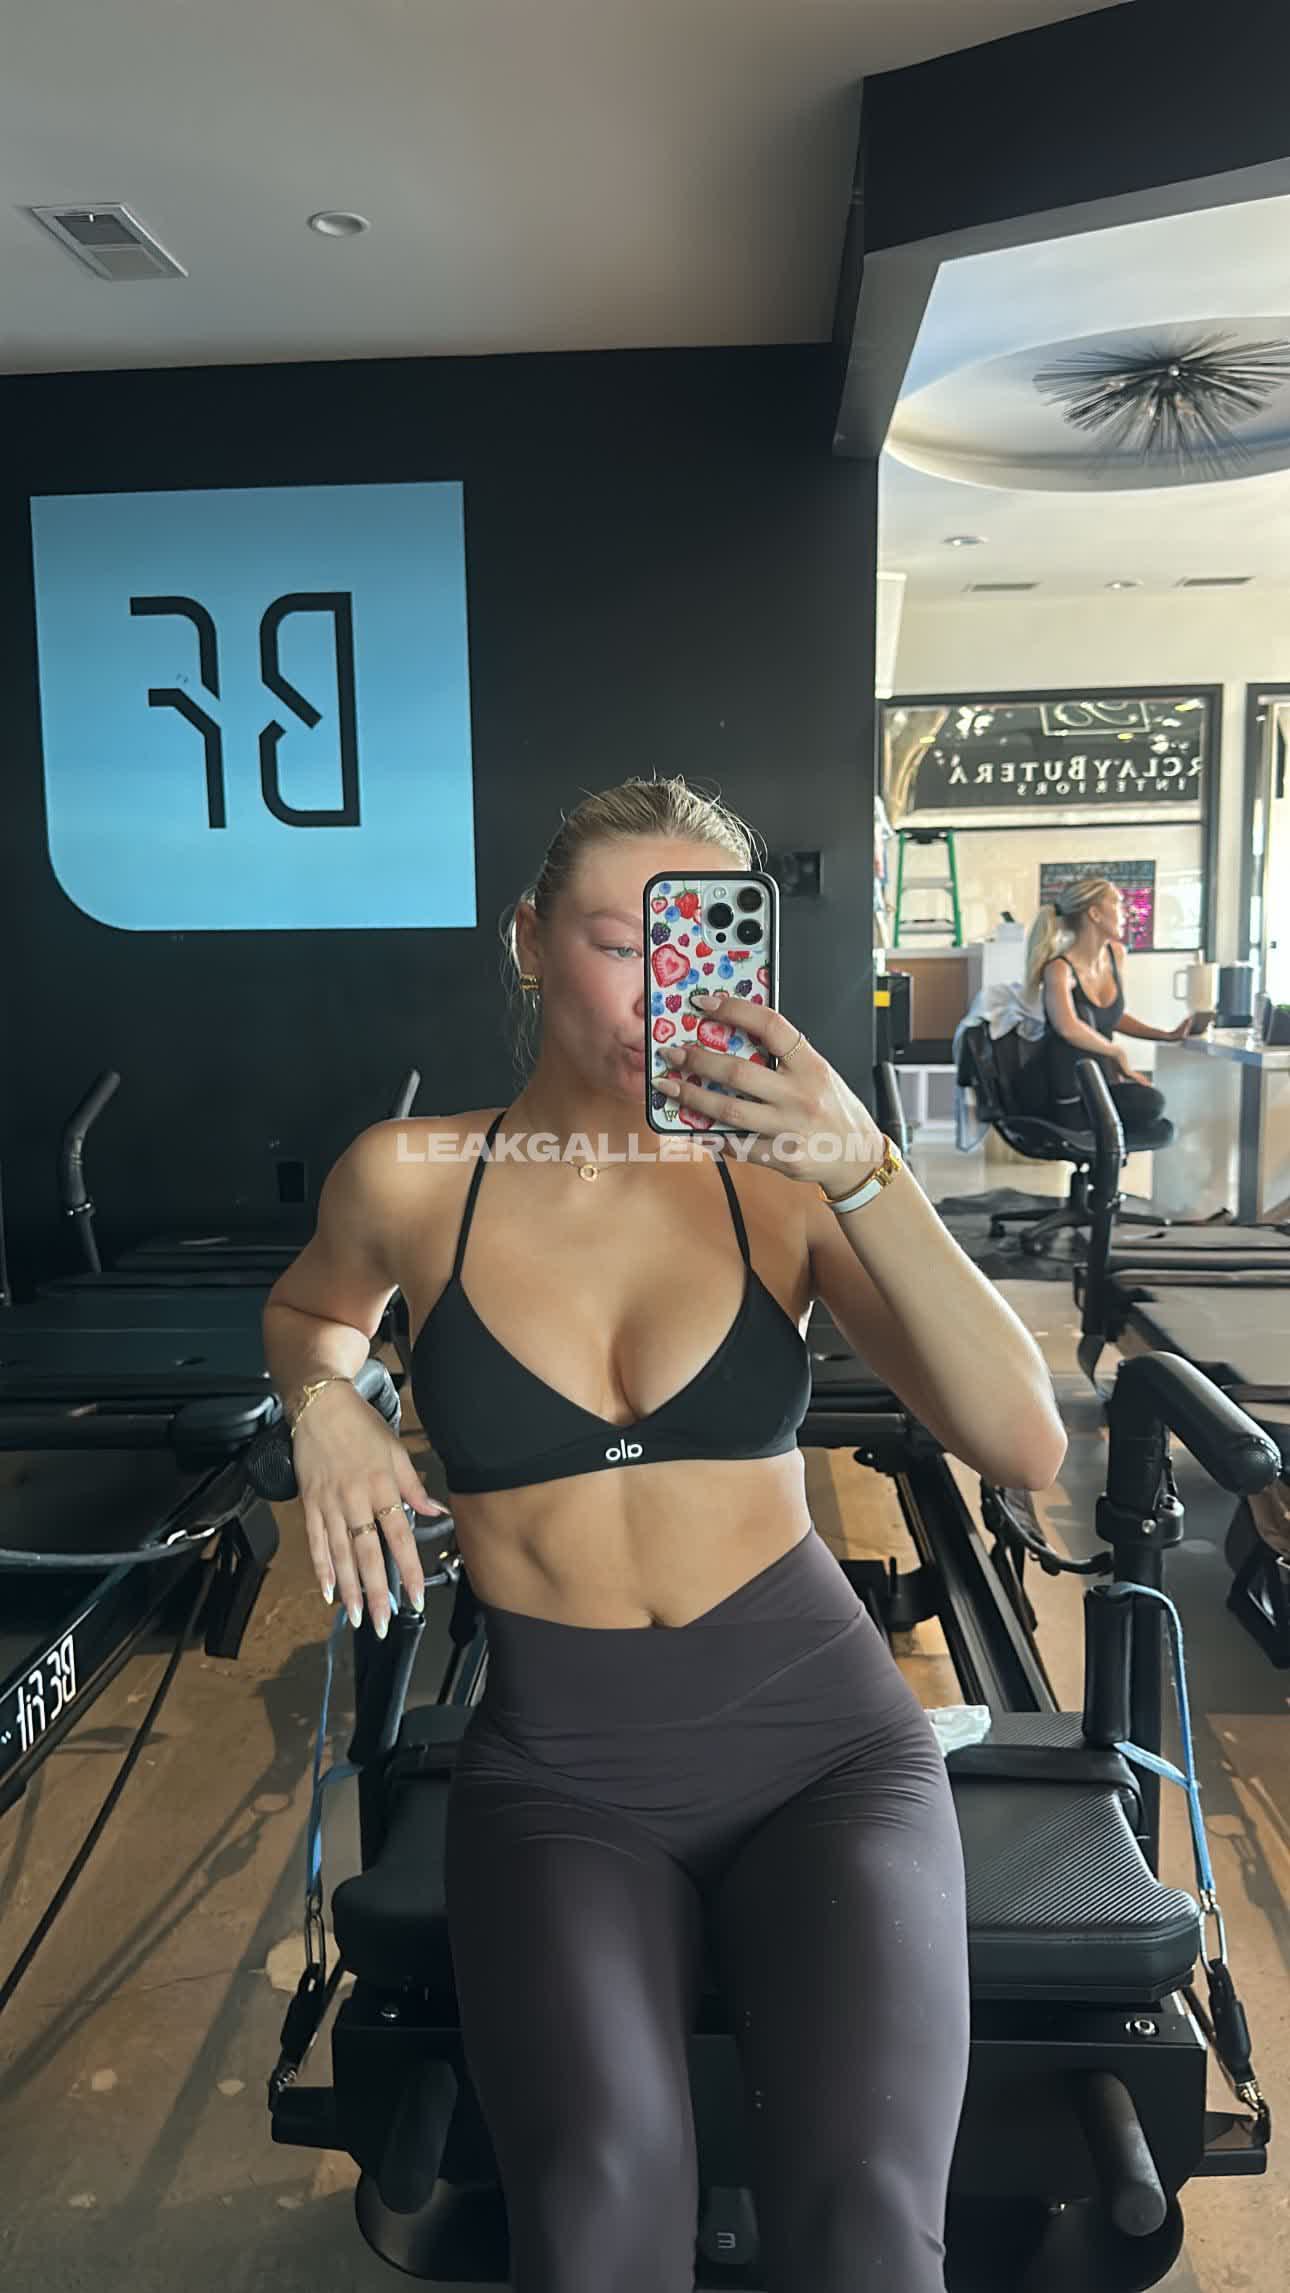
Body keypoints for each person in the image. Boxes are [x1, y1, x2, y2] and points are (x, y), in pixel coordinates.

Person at [264, 775, 1067, 2293]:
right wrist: (327, 1401)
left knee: (870, 2215)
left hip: (825, 1748)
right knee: (596, 2214)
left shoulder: (783, 1181)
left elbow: (1025, 1440)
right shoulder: (412, 1177)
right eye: (618, 940)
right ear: (526, 941)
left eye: (699, 937)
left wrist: (864, 1164)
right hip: (563, 1771)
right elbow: (310, 1314)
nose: (662, 982)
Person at [1024, 875, 1188, 1143]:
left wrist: (1165, 1035)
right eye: (1118, 903)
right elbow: (1068, 1026)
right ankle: (1084, 1132)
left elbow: (1111, 1017)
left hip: (1100, 1081)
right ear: (1095, 914)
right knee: (1152, 1105)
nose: (1126, 911)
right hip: (1066, 1088)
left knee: (1162, 1126)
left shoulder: (1115, 954)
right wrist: (1116, 1051)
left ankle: (1103, 1160)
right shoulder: (1059, 969)